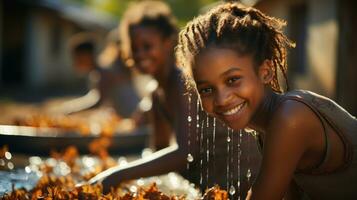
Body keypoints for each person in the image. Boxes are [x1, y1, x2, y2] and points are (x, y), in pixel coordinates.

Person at [175, 2, 357, 200]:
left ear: (266, 72)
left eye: (232, 80)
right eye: (207, 89)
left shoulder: (291, 117)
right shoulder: (267, 127)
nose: (221, 99)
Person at [89, 1, 261, 197]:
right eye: (135, 48)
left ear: (168, 42)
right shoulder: (156, 93)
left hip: (239, 184)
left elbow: (184, 155)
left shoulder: (182, 83)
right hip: (206, 187)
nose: (140, 54)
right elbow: (159, 150)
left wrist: (118, 174)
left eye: (147, 46)